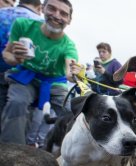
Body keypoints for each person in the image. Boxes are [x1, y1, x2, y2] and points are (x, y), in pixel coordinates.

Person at [0, 0, 82, 145]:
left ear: (69, 20)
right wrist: (16, 58)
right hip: (25, 77)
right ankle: (13, 150)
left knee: (72, 113)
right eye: (52, 9)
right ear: (43, 8)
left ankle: (75, 151)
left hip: (54, 82)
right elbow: (7, 54)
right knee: (17, 102)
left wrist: (74, 73)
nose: (57, 16)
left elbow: (69, 71)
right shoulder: (23, 25)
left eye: (63, 13)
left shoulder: (69, 46)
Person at [0, 0, 43, 133]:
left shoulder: (2, 13)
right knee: (16, 122)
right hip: (24, 79)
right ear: (40, 7)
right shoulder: (40, 23)